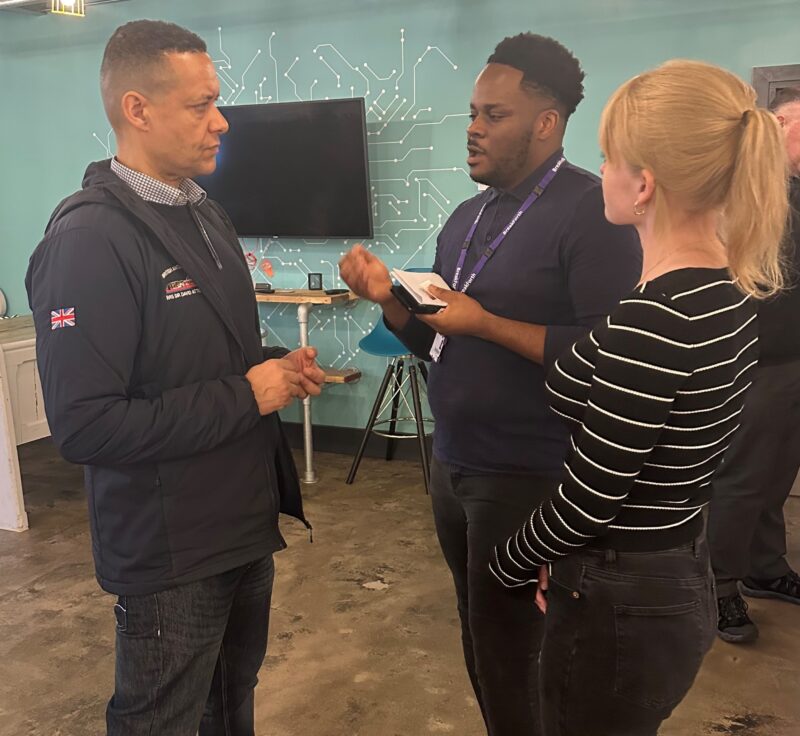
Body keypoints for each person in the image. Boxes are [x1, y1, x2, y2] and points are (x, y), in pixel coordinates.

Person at [25, 20, 325, 736]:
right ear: (137, 109)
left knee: (231, 703)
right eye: (201, 104)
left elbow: (206, 359)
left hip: (240, 525)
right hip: (169, 552)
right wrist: (247, 394)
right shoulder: (88, 240)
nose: (221, 121)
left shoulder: (208, 217)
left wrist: (272, 373)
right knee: (159, 719)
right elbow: (86, 424)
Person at [339, 33, 641, 736]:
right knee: (482, 637)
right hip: (456, 464)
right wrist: (387, 299)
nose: (473, 128)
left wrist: (488, 324)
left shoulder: (594, 217)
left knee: (519, 656)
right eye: (473, 112)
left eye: (494, 115)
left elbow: (607, 358)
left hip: (533, 474)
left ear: (545, 123)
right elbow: (440, 341)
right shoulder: (467, 220)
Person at [491, 60, 788, 736]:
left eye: (606, 158)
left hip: (621, 593)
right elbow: (589, 377)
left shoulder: (653, 320)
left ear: (643, 184)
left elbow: (591, 494)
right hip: (675, 562)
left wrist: (512, 559)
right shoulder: (722, 292)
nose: (600, 173)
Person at [706, 86, 800, 644]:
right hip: (756, 363)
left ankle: (766, 568)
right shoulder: (745, 196)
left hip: (794, 359)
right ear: (779, 127)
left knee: (775, 475)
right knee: (741, 481)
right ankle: (718, 588)